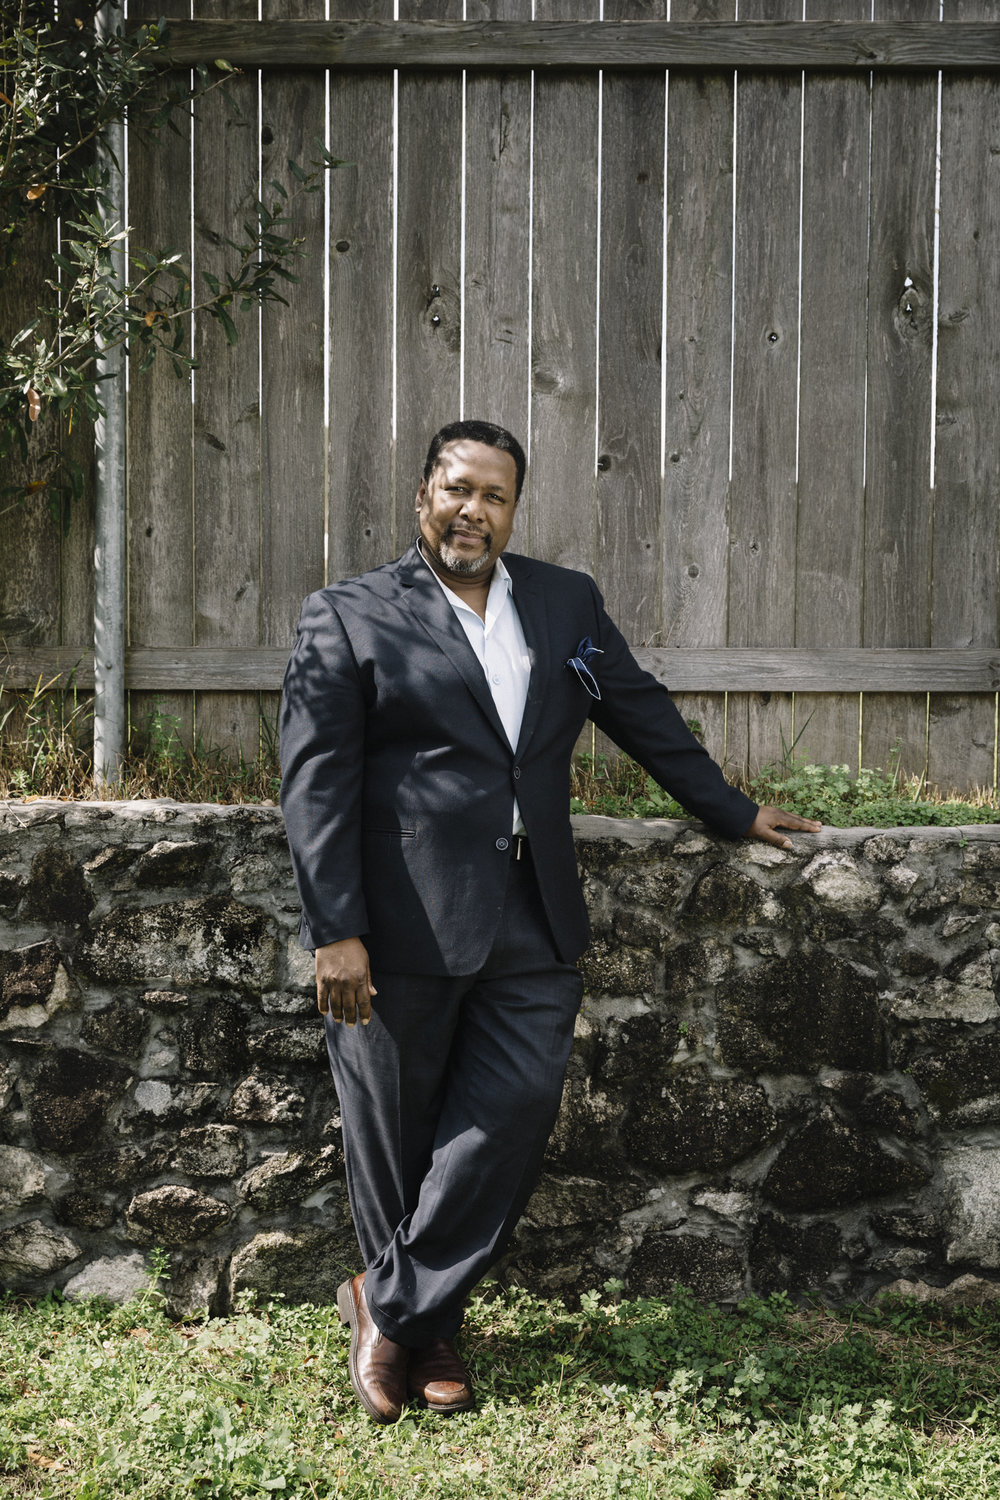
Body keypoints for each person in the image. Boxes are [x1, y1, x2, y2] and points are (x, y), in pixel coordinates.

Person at [279, 419, 820, 1423]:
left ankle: (383, 1305)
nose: (471, 509)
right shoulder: (347, 616)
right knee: (393, 1139)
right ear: (422, 497)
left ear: (512, 511)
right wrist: (335, 928)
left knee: (512, 1115)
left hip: (534, 915)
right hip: (396, 925)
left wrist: (728, 809)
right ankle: (429, 1335)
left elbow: (635, 706)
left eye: (493, 495)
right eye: (455, 488)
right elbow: (315, 785)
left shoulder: (562, 600)